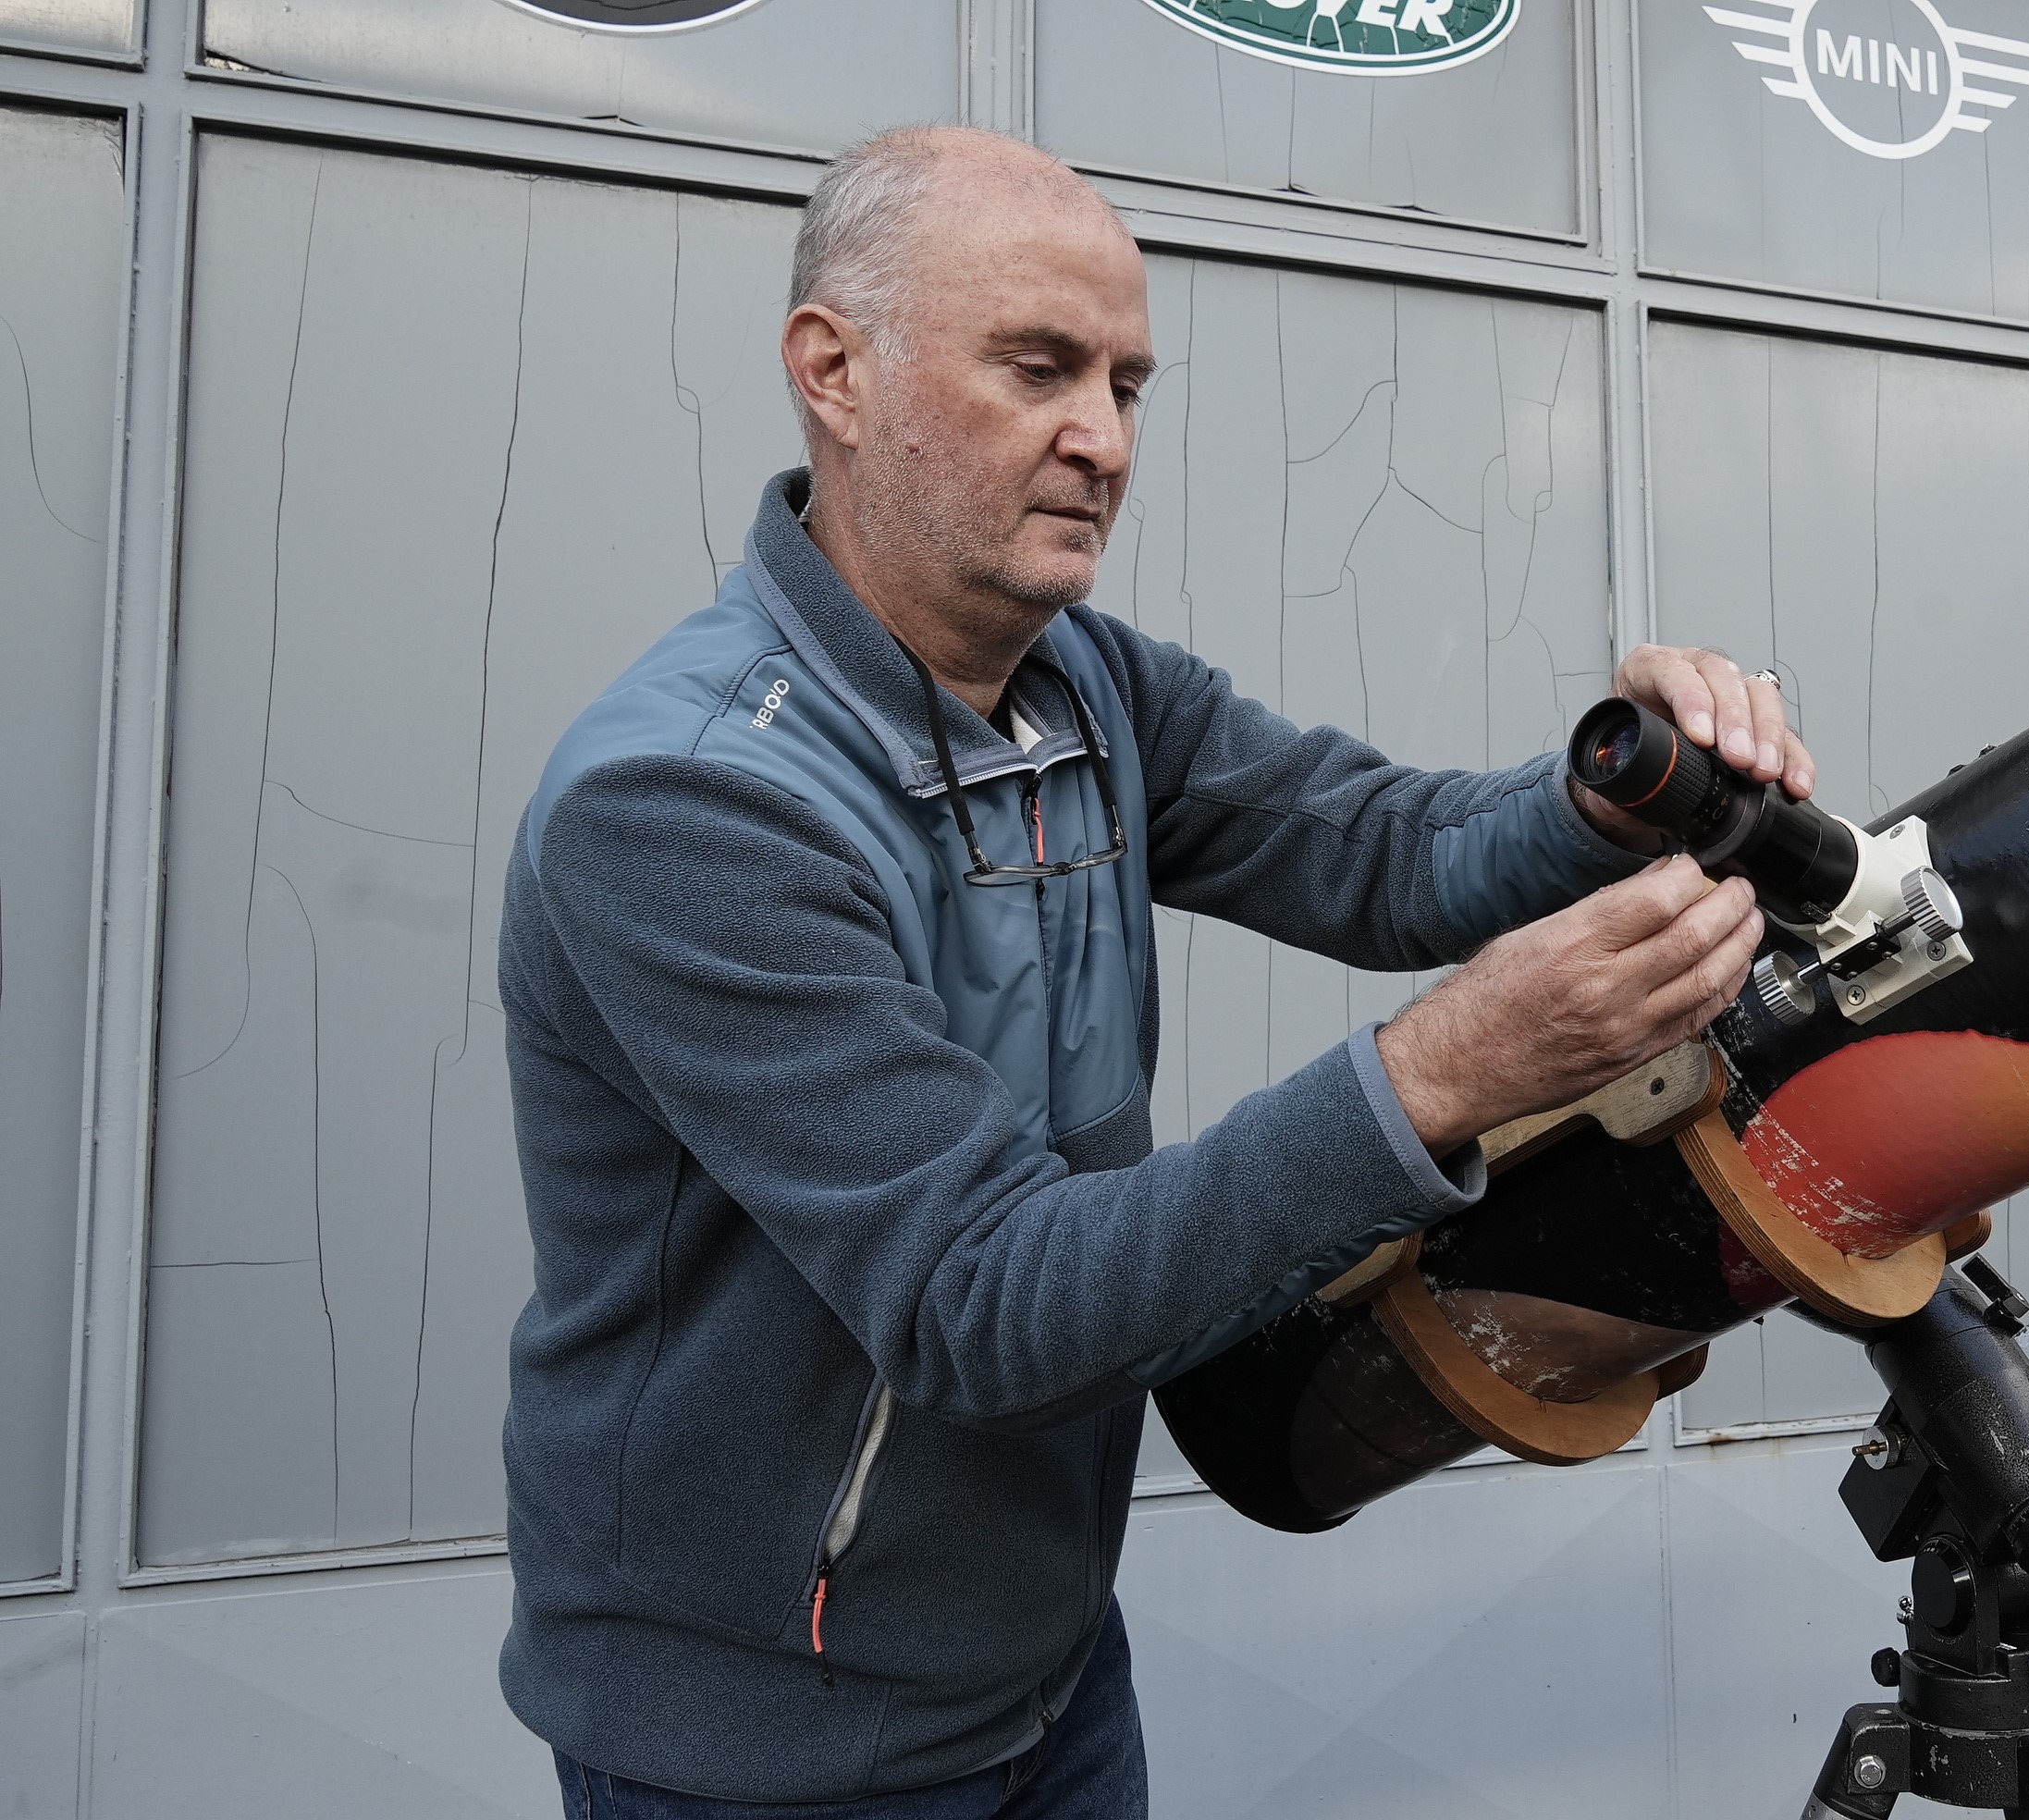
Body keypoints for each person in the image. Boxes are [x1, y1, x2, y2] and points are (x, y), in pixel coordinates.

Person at [495, 125, 1814, 1818]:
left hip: (1045, 1669)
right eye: (1038, 369)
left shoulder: (1083, 691)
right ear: (832, 370)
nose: (1102, 440)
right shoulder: (690, 803)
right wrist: (1450, 1072)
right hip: (765, 1736)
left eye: (1129, 383)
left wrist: (1616, 787)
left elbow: (1381, 846)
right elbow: (981, 1301)